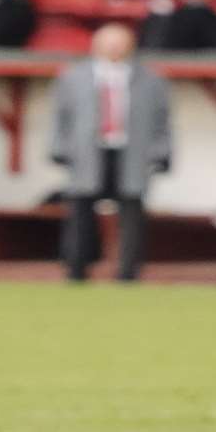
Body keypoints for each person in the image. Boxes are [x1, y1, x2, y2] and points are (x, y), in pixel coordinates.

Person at [50, 23, 172, 282]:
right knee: (80, 211)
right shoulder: (73, 76)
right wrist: (59, 148)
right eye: (109, 43)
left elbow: (162, 121)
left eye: (120, 42)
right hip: (87, 150)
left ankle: (128, 272)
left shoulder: (151, 79)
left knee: (131, 212)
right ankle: (76, 269)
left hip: (131, 150)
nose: (115, 48)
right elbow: (61, 117)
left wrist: (162, 152)